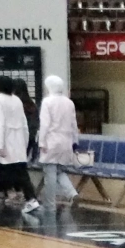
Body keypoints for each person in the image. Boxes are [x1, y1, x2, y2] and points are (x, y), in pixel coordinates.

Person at [0, 76, 39, 215]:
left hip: (4, 142)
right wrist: (24, 142)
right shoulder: (16, 100)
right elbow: (24, 123)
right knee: (19, 172)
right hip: (18, 142)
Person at [37, 74, 81, 210]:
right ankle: (72, 193)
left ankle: (50, 204)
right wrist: (75, 141)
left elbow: (45, 124)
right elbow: (74, 124)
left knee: (49, 173)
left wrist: (42, 142)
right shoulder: (69, 102)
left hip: (51, 142)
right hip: (66, 142)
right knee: (60, 171)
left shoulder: (47, 102)